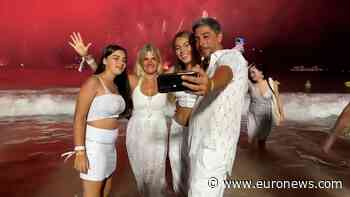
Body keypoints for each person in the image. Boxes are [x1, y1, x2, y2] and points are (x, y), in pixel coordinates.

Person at [69, 33, 171, 197]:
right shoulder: (133, 80)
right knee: (141, 176)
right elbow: (105, 77)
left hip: (155, 134)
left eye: (154, 58)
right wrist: (88, 57)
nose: (150, 62)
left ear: (159, 61)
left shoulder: (167, 81)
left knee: (157, 176)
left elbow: (187, 85)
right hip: (134, 135)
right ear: (140, 62)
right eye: (146, 58)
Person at [181, 17, 248, 197]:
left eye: (206, 36)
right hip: (200, 146)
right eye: (197, 39)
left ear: (219, 36)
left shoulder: (231, 56)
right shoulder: (208, 65)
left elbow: (225, 72)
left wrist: (210, 84)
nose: (201, 43)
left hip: (212, 151)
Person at [68, 44, 132, 197]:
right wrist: (80, 152)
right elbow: (79, 117)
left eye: (124, 60)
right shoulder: (93, 82)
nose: (121, 63)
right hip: (94, 148)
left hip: (110, 148)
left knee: (105, 194)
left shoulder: (117, 85)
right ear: (104, 60)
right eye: (115, 58)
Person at [169, 31, 199, 196]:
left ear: (194, 45)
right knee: (178, 175)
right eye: (177, 48)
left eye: (186, 45)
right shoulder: (174, 72)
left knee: (197, 176)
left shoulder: (206, 69)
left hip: (197, 131)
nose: (182, 51)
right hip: (177, 129)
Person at [247, 64, 285, 149]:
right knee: (250, 139)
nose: (251, 75)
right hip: (252, 115)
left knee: (261, 142)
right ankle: (251, 159)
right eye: (250, 73)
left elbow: (278, 99)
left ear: (261, 72)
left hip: (266, 118)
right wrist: (247, 68)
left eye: (253, 72)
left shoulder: (271, 84)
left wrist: (282, 114)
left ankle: (261, 159)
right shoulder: (250, 85)